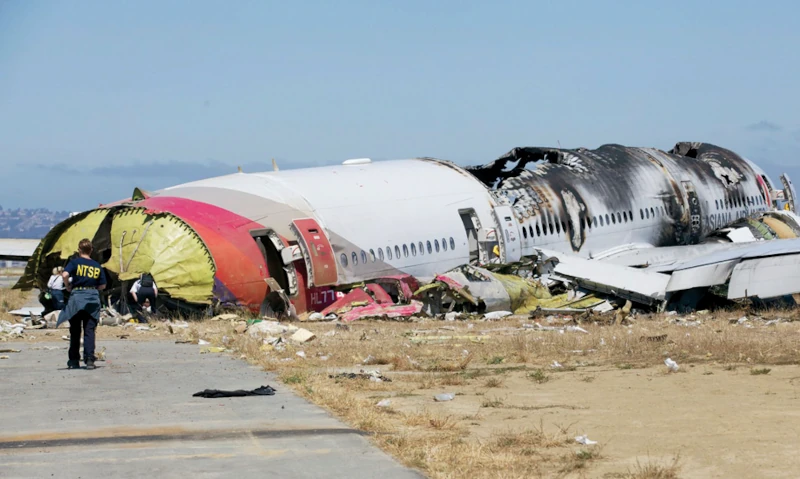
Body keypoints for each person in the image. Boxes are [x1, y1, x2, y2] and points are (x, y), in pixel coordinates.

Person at [57, 239, 106, 370]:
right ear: (91, 250)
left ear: (79, 250)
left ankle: (73, 360)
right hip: (92, 299)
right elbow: (103, 285)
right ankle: (89, 359)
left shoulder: (74, 263)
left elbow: (65, 274)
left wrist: (68, 286)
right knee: (89, 330)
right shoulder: (97, 265)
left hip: (77, 298)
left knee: (75, 330)